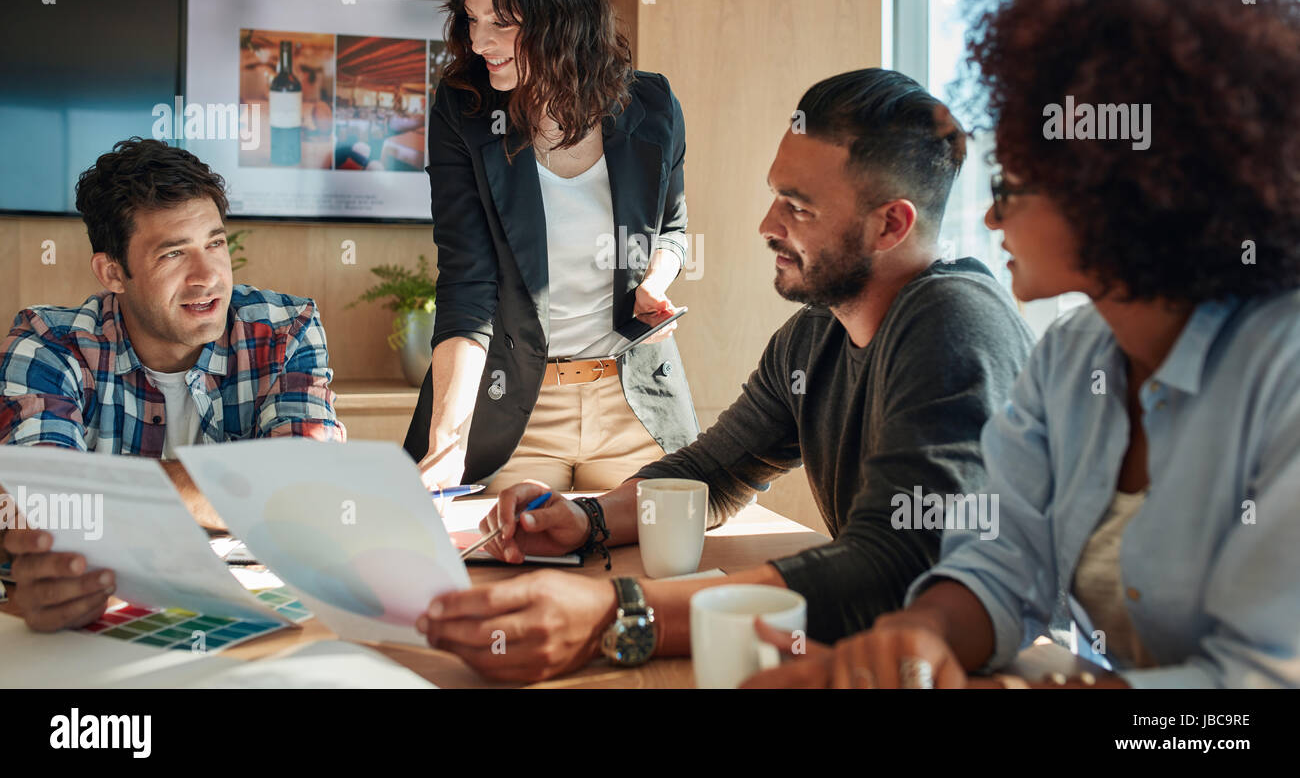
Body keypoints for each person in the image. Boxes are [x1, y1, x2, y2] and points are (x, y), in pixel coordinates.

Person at [745, 0, 1300, 689]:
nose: (995, 221)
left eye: (1015, 186)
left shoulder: (1282, 378)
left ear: (1127, 195)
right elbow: (1001, 564)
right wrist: (918, 638)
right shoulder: (1072, 361)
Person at [416, 68, 1036, 682]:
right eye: (776, 196)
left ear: (890, 225)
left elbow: (892, 567)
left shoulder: (954, 321)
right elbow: (709, 473)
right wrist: (588, 520)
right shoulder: (814, 337)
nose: (768, 225)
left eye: (798, 207)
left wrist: (617, 613)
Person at [404, 0, 699, 496]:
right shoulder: (463, 111)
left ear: (565, 19)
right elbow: (467, 286)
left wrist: (657, 279)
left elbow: (673, 228)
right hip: (518, 407)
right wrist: (447, 441)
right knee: (510, 559)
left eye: (502, 23)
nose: (478, 41)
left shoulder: (652, 105)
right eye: (471, 18)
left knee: (662, 562)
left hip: (634, 401)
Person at [0, 137, 344, 631]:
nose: (208, 276)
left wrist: (96, 498)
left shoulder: (286, 328)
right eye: (173, 254)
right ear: (113, 272)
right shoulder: (47, 344)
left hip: (257, 621)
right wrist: (242, 488)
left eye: (216, 243)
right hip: (102, 627)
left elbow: (302, 488)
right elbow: (42, 511)